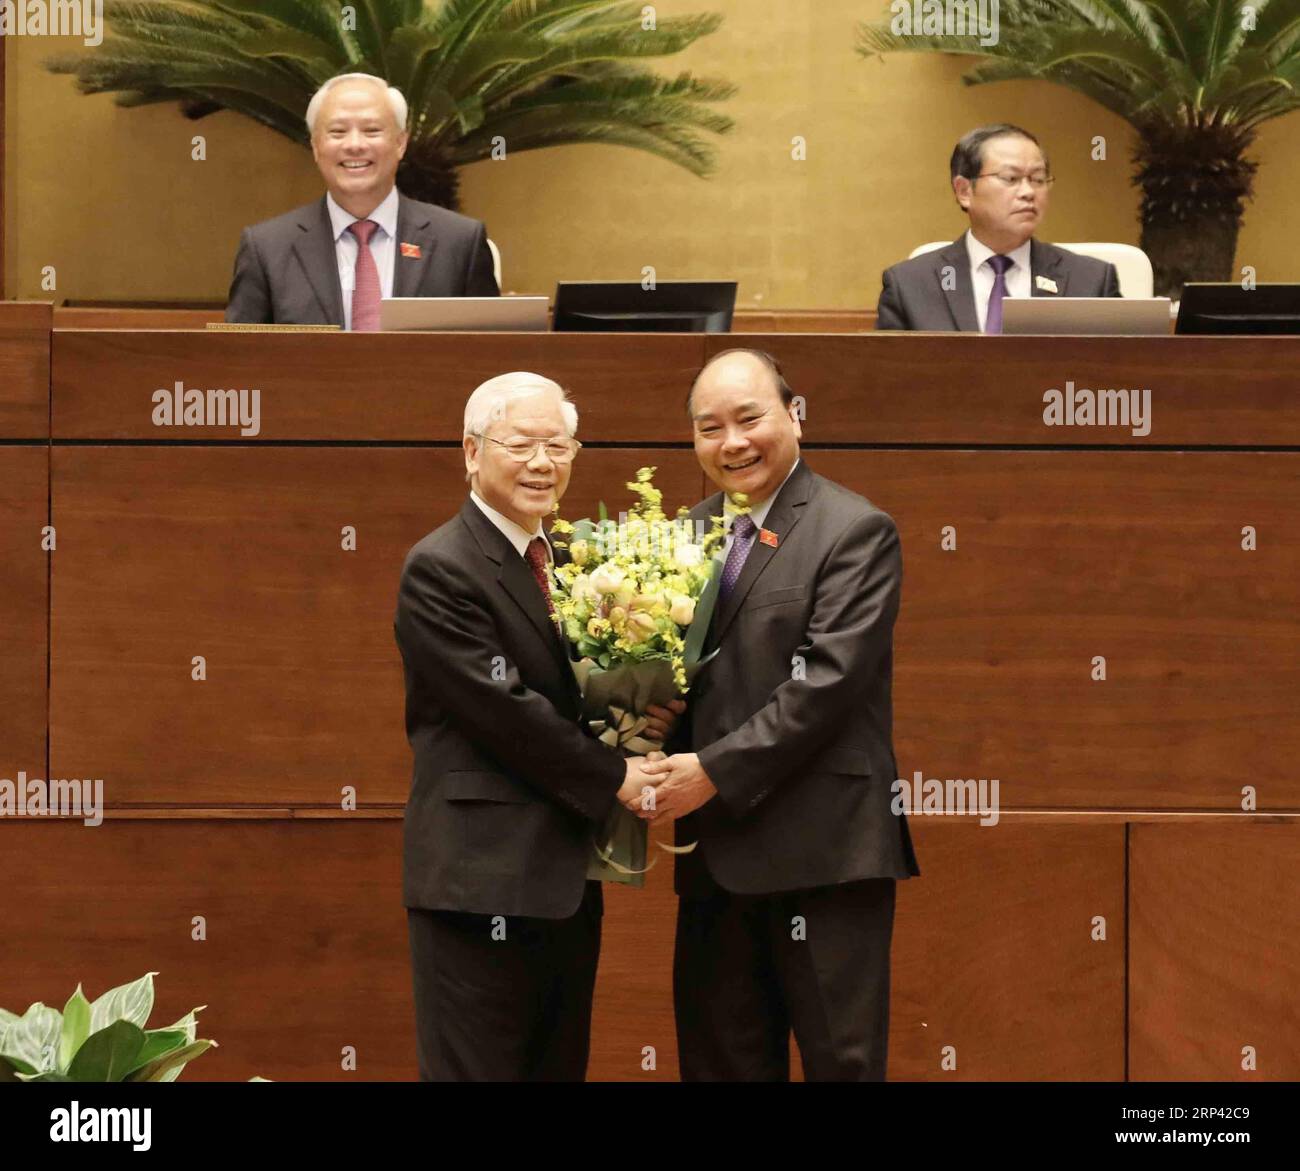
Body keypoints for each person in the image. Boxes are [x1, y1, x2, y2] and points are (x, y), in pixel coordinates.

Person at [638, 349, 920, 1081]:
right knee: (719, 1065)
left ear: (795, 415)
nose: (731, 442)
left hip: (825, 856)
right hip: (716, 864)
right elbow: (668, 676)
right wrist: (638, 727)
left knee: (842, 1065)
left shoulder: (854, 530)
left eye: (748, 418)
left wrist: (712, 772)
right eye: (709, 428)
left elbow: (826, 683)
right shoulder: (682, 535)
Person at [395, 372, 665, 1080]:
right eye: (522, 444)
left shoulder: (580, 560)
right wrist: (617, 776)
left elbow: (594, 690)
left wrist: (652, 712)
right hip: (477, 878)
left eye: (560, 444)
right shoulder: (441, 566)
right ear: (471, 451)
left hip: (566, 883)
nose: (544, 462)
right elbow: (502, 711)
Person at [226, 73, 498, 328]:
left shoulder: (460, 242)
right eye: (337, 132)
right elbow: (237, 358)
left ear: (400, 143)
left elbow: (492, 358)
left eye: (371, 130)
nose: (354, 145)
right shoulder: (267, 248)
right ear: (316, 146)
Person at [876, 123, 1121, 331]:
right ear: (964, 191)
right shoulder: (909, 286)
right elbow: (886, 381)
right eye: (1010, 179)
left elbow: (1122, 375)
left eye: (1037, 179)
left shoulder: (1091, 282)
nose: (1028, 192)